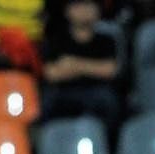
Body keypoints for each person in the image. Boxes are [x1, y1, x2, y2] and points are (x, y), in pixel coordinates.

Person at [41, 0, 120, 135]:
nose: (84, 10)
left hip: (97, 93)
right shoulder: (56, 40)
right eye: (79, 6)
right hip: (63, 93)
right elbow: (51, 73)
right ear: (68, 11)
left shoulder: (106, 40)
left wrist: (73, 64)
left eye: (89, 5)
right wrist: (92, 67)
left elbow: (110, 70)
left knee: (109, 101)